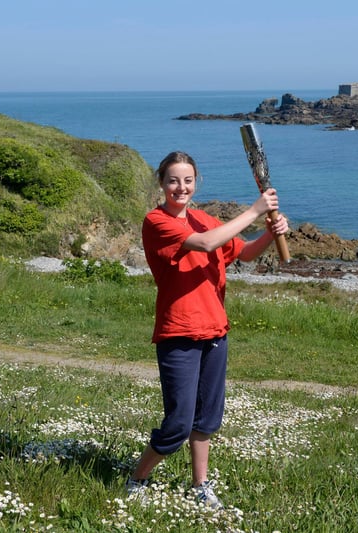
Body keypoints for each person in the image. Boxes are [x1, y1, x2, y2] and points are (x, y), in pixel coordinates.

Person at [126, 151, 289, 509]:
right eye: (173, 180)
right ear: (162, 183)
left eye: (187, 180)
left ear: (196, 182)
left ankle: (200, 485)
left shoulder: (204, 219)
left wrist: (268, 233)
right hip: (178, 332)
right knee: (179, 422)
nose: (180, 187)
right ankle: (137, 477)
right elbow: (204, 244)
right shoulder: (156, 222)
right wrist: (255, 211)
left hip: (215, 329)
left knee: (207, 418)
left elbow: (242, 252)